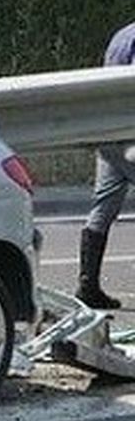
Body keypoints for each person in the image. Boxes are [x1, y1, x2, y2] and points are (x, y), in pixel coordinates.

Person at [77, 22, 135, 310]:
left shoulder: (121, 36)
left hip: (107, 132)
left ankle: (88, 286)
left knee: (103, 208)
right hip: (130, 134)